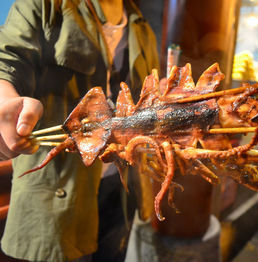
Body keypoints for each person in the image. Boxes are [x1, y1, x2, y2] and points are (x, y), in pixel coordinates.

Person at [0, 0, 159, 261]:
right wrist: (4, 99)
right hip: (59, 193)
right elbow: (8, 58)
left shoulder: (141, 27)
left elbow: (144, 99)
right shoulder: (45, 5)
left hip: (119, 188)